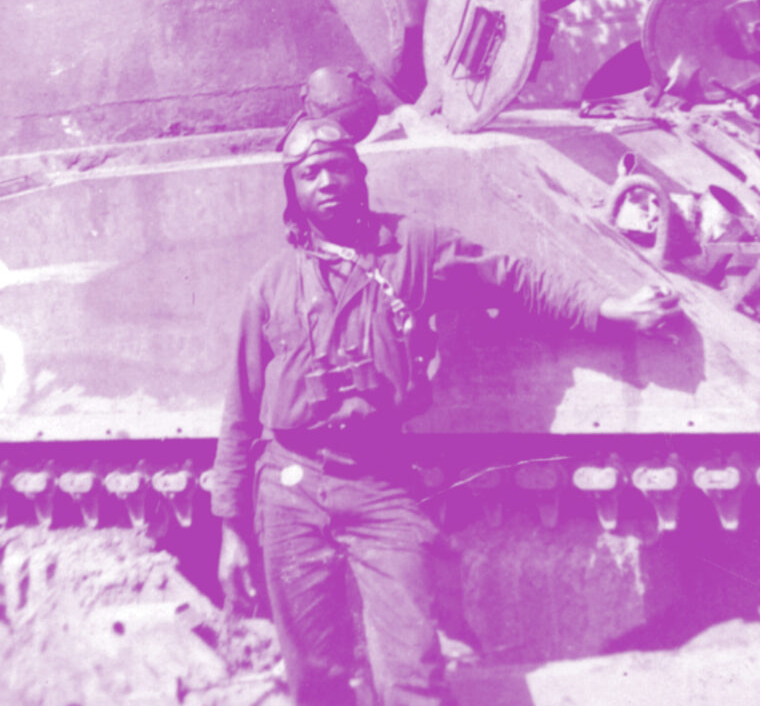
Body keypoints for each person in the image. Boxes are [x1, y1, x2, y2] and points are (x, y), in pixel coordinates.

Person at [210, 116, 681, 706]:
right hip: (290, 486)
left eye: (337, 168)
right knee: (317, 678)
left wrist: (605, 309)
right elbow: (239, 412)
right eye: (309, 174)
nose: (325, 181)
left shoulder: (414, 247)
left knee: (412, 672)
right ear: (294, 192)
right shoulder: (271, 285)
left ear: (360, 176)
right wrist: (231, 531)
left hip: (379, 481)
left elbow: (512, 280)